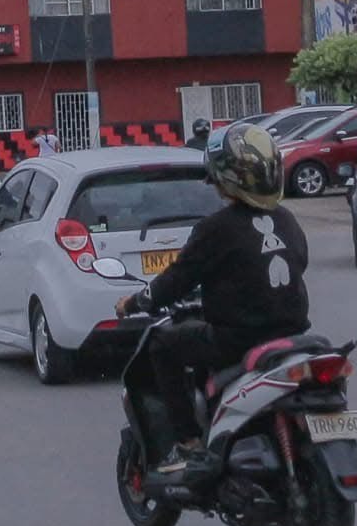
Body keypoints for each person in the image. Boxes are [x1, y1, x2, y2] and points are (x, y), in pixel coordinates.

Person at [115, 122, 309, 474]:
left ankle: (187, 443)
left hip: (238, 340)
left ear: (225, 179)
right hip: (296, 336)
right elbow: (300, 262)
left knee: (163, 344)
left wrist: (136, 302)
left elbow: (176, 280)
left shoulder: (216, 228)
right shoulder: (286, 219)